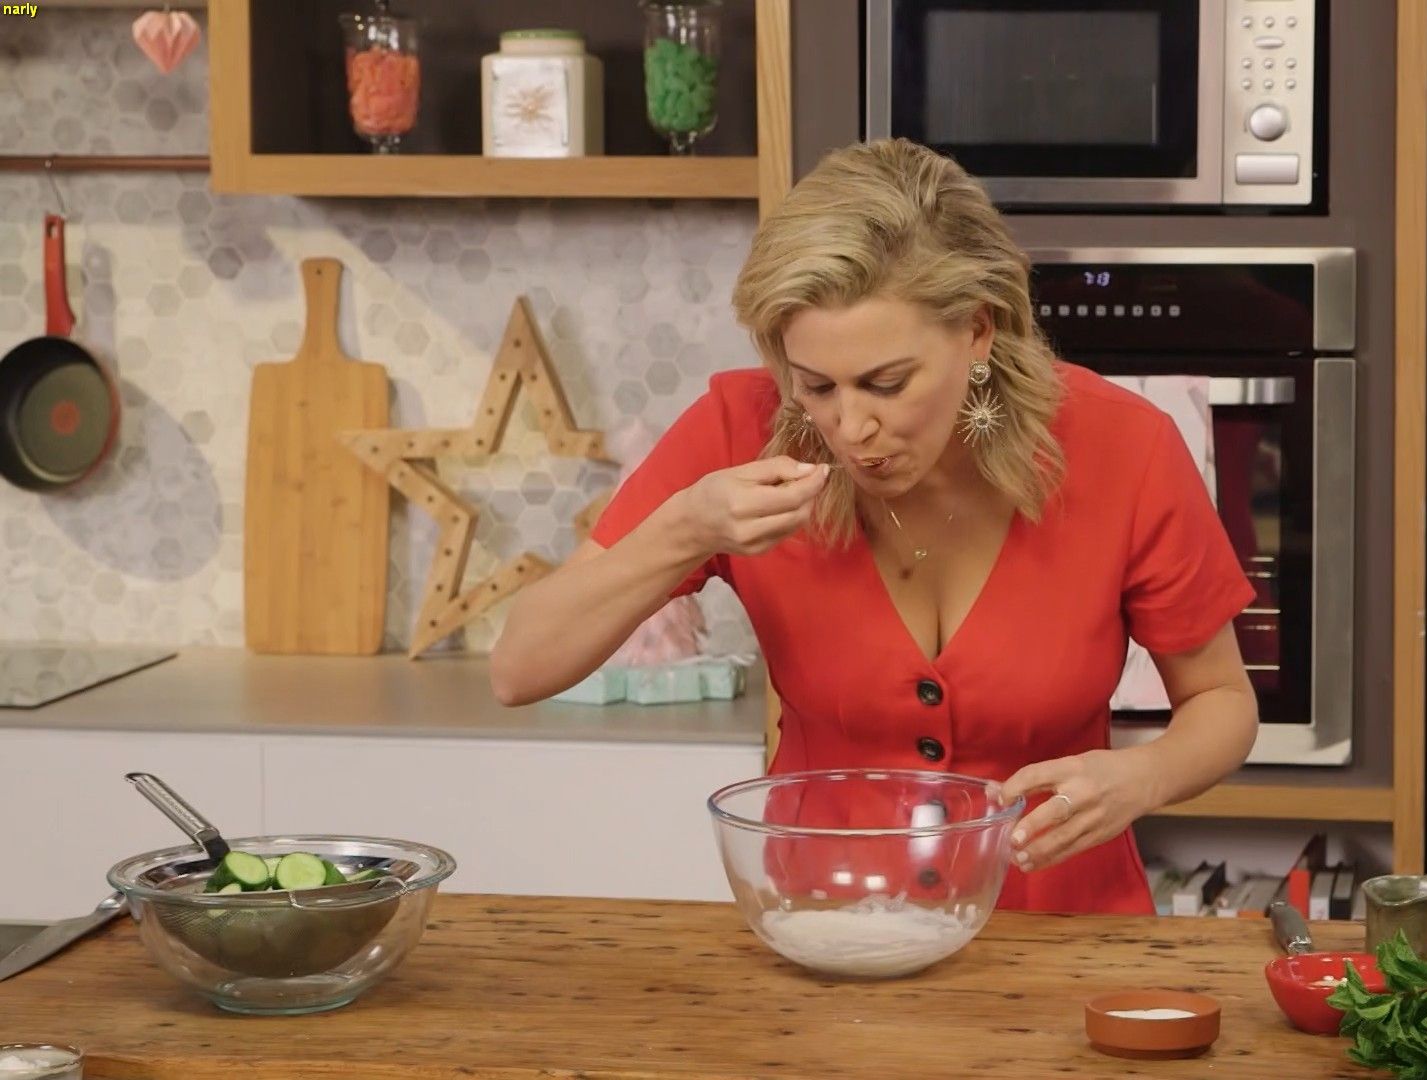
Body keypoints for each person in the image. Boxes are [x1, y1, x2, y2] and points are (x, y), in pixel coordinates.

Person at [491, 138, 1257, 915]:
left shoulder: (1123, 447)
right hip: (821, 932)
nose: (851, 428)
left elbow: (1223, 701)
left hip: (1065, 936)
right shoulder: (738, 429)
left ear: (978, 331)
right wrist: (685, 529)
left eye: (887, 383)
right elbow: (520, 669)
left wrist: (1141, 777)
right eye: (816, 386)